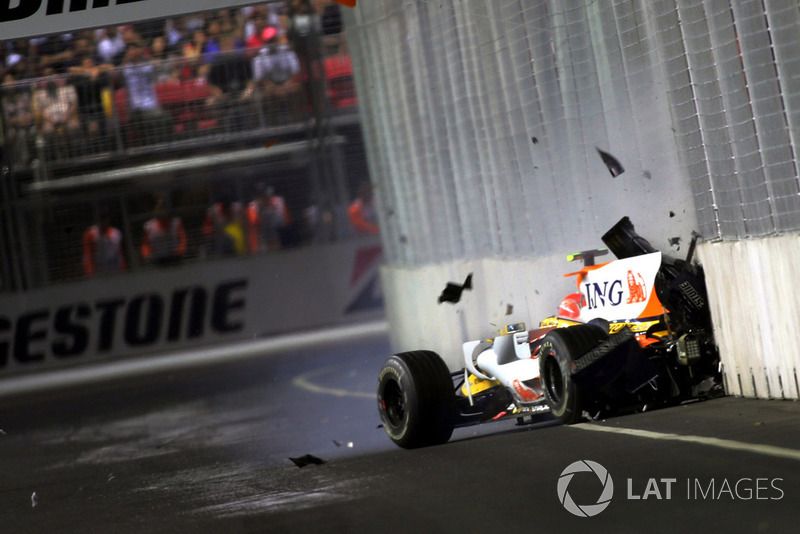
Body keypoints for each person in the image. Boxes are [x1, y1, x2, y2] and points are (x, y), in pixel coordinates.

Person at [141, 199, 188, 265]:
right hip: (157, 260)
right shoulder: (149, 226)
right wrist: (147, 255)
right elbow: (145, 244)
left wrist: (180, 250)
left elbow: (183, 239)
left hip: (175, 258)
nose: (163, 212)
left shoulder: (176, 222)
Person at [247, 184, 290, 253]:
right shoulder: (253, 206)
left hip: (277, 235)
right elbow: (254, 223)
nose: (263, 197)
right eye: (260, 194)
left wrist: (271, 207)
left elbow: (284, 220)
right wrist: (260, 209)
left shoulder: (278, 201)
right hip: (261, 238)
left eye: (264, 194)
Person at [83, 210, 126, 276]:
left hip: (114, 268)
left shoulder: (116, 233)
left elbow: (119, 254)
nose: (103, 222)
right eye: (101, 219)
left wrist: (123, 269)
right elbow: (87, 254)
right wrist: (90, 272)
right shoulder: (90, 233)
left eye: (105, 219)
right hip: (98, 269)